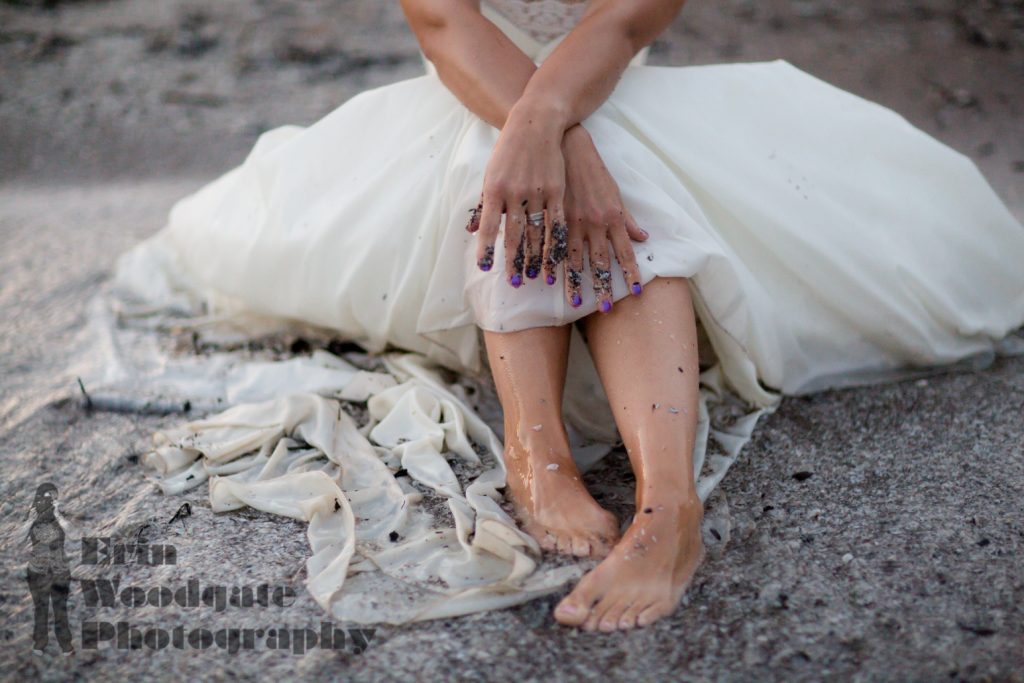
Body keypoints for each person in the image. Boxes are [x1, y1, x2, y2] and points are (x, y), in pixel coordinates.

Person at [125, 0, 1024, 631]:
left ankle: (669, 514)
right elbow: (444, 22)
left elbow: (628, 18)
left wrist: (556, 125)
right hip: (466, 88)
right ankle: (535, 444)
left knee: (625, 186)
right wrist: (545, 138)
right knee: (496, 154)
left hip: (610, 85)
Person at [25, 483, 74, 655]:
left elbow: (72, 532)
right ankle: (40, 643)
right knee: (41, 608)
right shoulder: (33, 518)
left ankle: (65, 645)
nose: (48, 501)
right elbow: (18, 539)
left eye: (52, 498)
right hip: (38, 570)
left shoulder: (59, 517)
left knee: (61, 609)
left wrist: (58, 514)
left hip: (59, 569)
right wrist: (31, 519)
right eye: (44, 498)